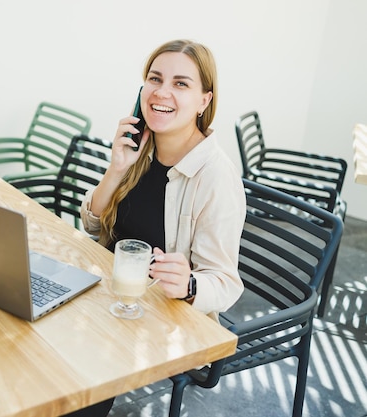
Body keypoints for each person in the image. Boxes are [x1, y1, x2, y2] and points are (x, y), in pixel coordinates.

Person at [64, 39, 246, 417]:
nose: (162, 92)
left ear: (204, 101)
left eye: (181, 83)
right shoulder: (142, 147)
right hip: (103, 292)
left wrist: (190, 284)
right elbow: (93, 222)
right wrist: (116, 167)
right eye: (154, 79)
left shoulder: (215, 176)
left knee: (70, 389)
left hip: (152, 317)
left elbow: (226, 282)